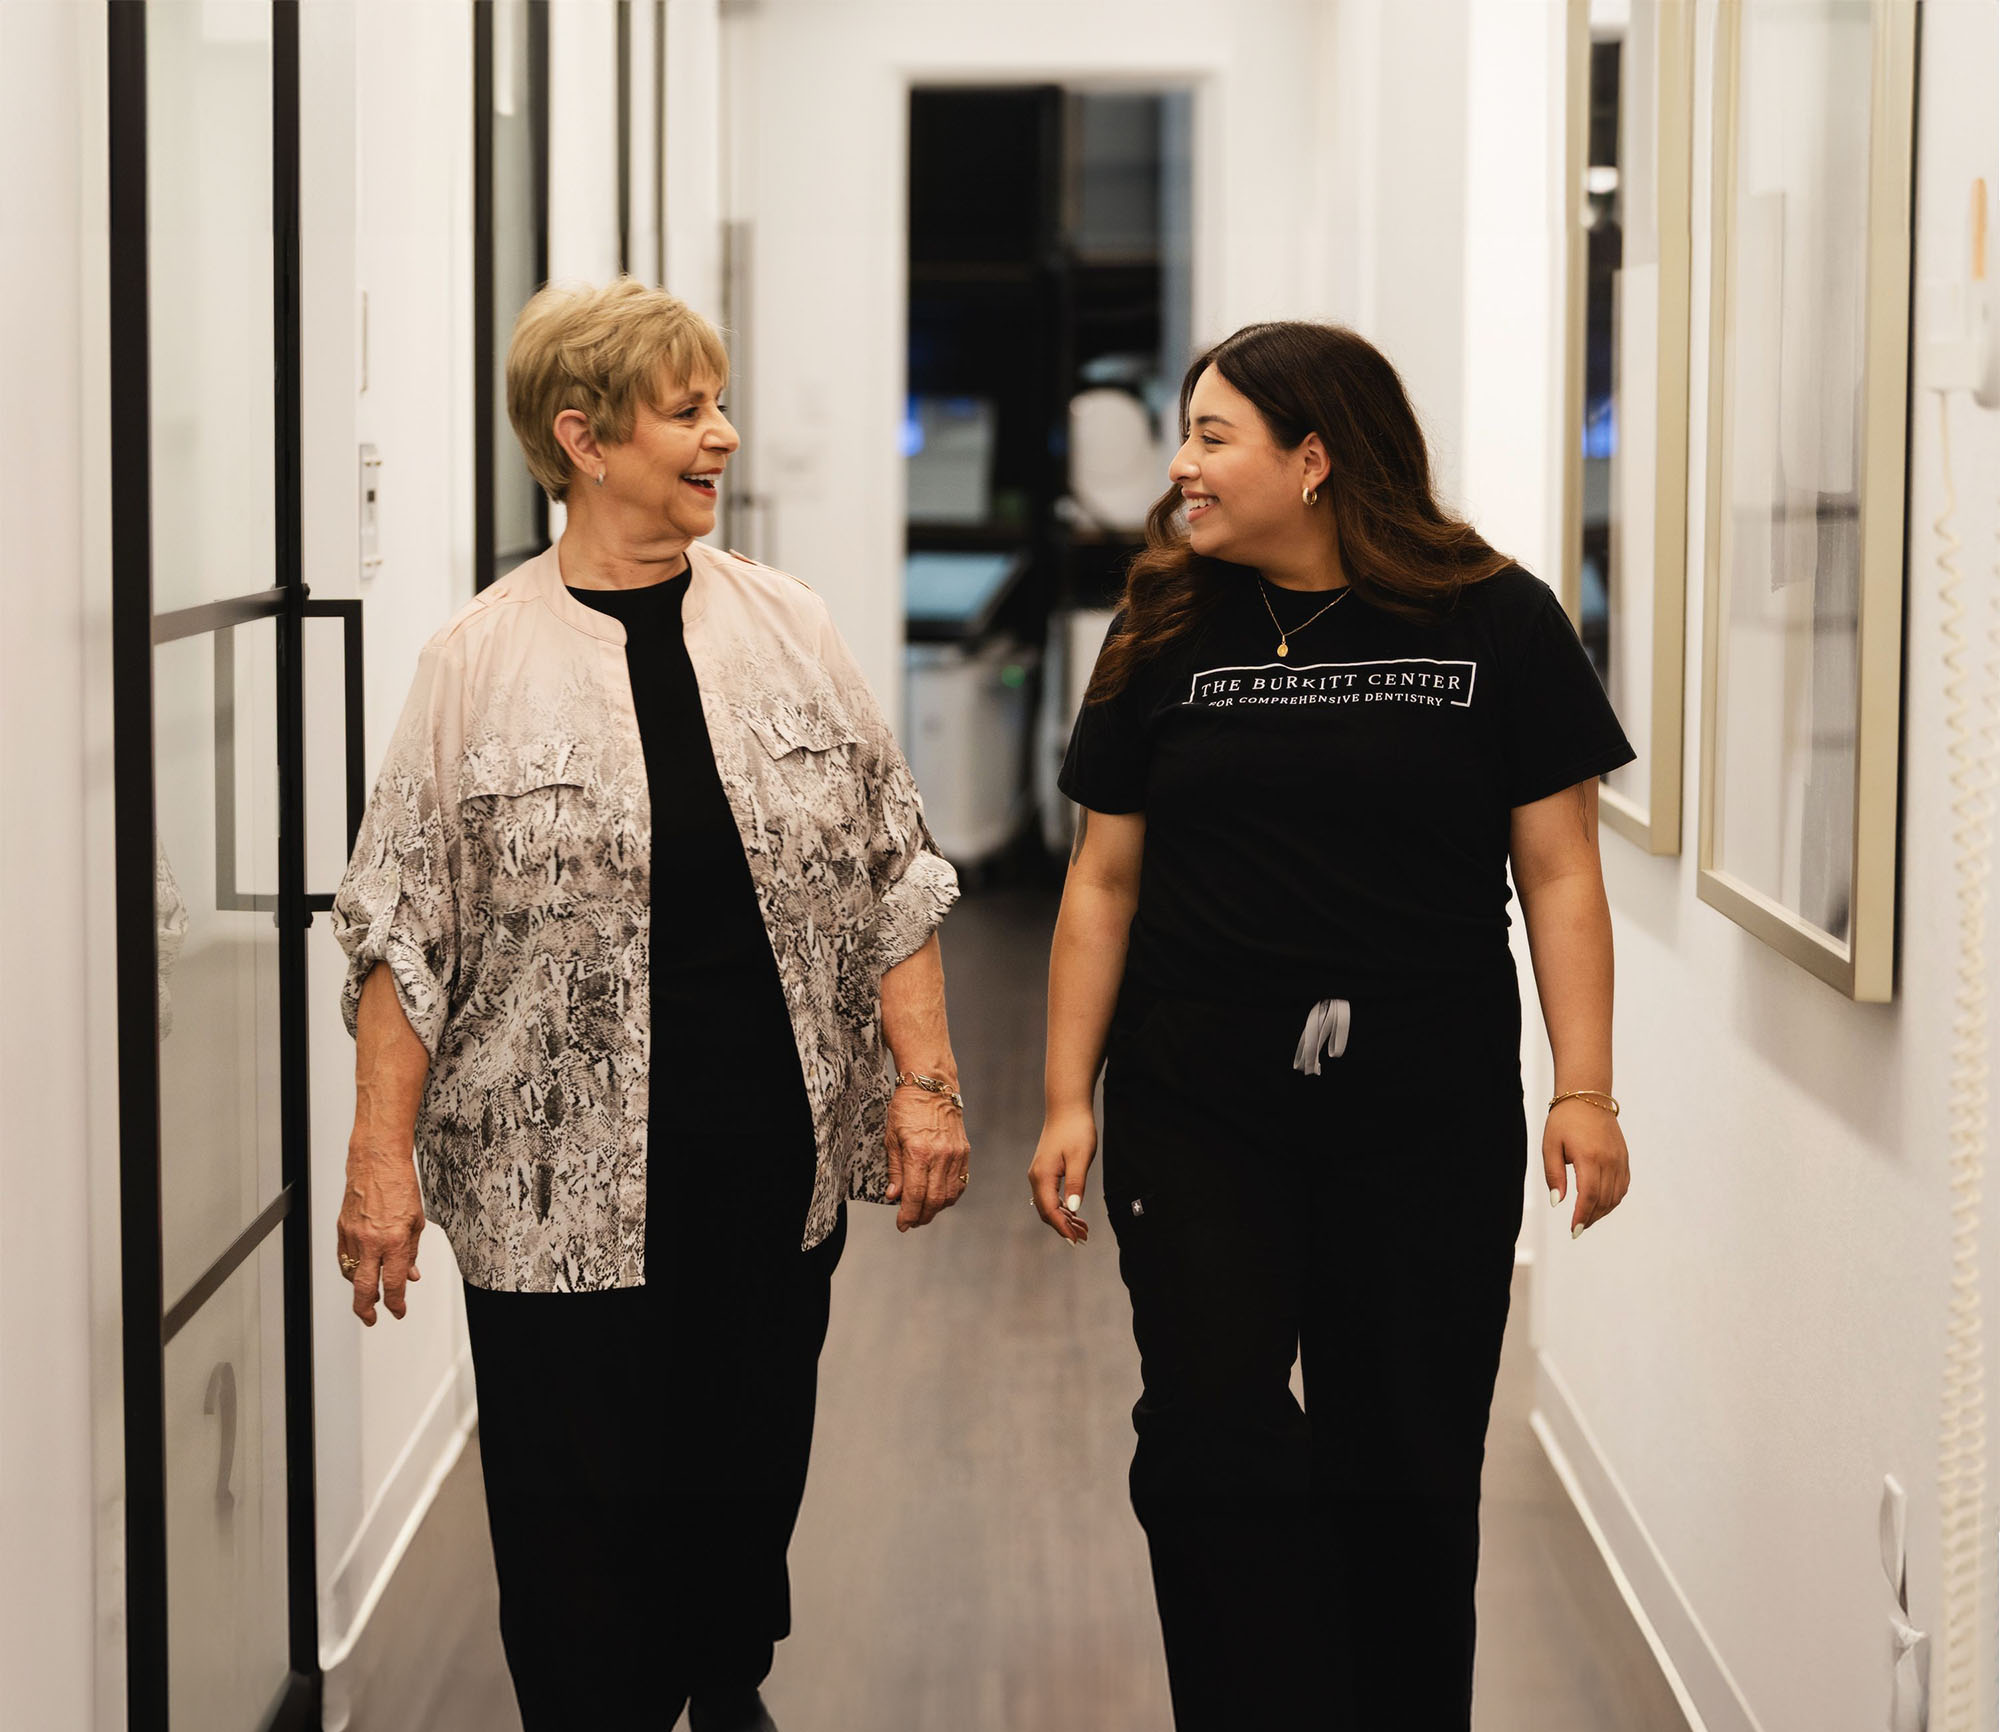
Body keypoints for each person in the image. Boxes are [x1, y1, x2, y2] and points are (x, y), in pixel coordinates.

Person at [332, 277, 969, 1732]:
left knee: (745, 1468)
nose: (723, 437)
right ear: (585, 438)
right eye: (688, 412)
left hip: (765, 1153)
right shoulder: (474, 667)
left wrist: (924, 1085)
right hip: (549, 1184)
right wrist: (381, 1163)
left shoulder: (791, 629)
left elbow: (896, 868)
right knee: (573, 1511)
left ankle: (722, 1677)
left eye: (717, 405)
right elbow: (398, 932)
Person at [1030, 321, 1635, 1729]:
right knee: (1208, 1436)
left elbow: (1559, 874)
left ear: (1314, 459)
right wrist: (1068, 1095)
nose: (1178, 466)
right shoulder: (1164, 624)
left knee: (1405, 1461)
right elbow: (1101, 884)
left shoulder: (1494, 619)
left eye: (1212, 436)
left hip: (1424, 1107)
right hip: (1201, 1101)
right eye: (1183, 434)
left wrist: (1585, 1090)